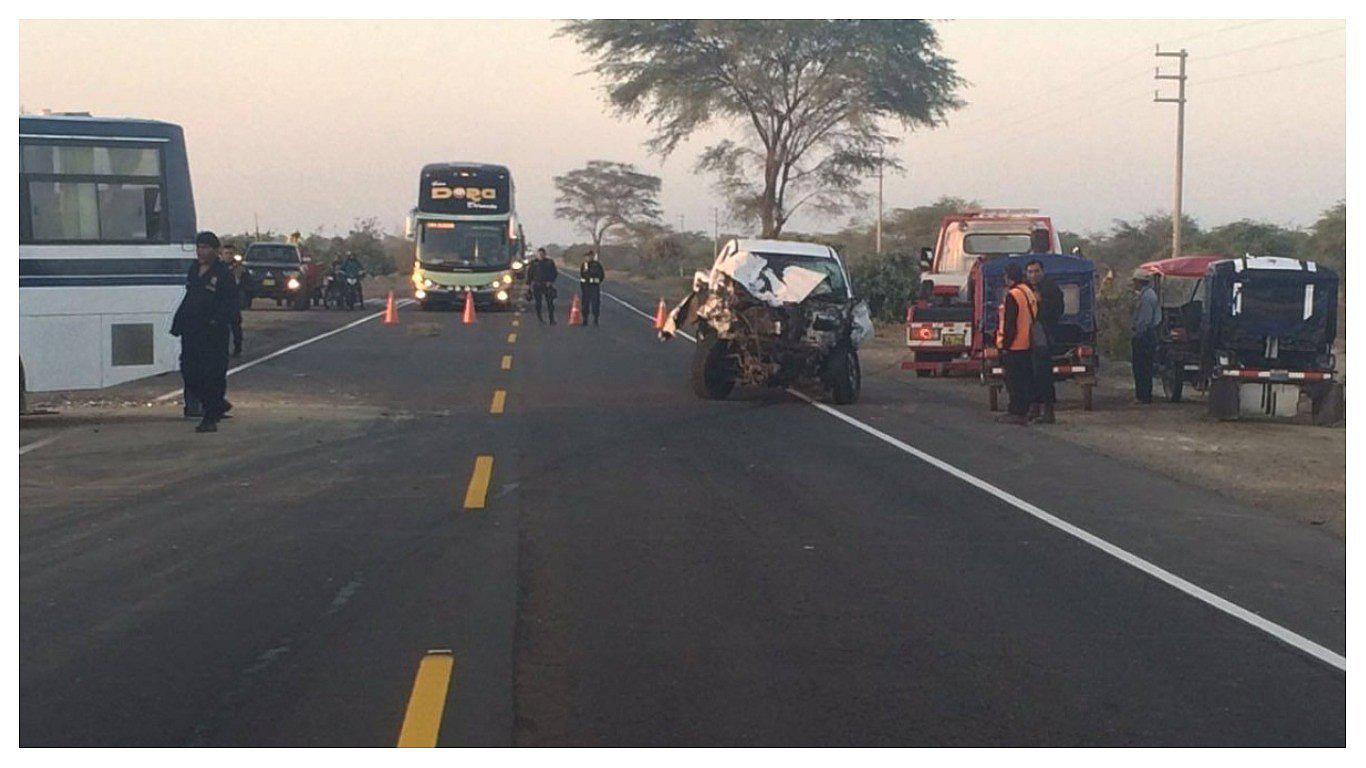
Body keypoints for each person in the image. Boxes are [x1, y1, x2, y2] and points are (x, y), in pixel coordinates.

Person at [172, 231, 238, 433]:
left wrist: (218, 322)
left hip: (213, 333)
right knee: (189, 371)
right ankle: (216, 404)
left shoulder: (223, 274)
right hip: (192, 330)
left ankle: (210, 416)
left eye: (206, 247)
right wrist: (178, 322)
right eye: (199, 247)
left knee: (212, 375)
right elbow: (190, 297)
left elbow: (231, 305)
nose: (201, 251)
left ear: (216, 250)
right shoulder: (194, 270)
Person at [995, 262, 1037, 425]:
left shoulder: (1013, 294)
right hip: (1027, 344)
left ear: (1009, 277)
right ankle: (1025, 411)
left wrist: (1005, 345)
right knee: (1025, 380)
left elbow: (1010, 323)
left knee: (1014, 382)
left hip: (1015, 346)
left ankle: (1017, 412)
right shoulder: (1027, 291)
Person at [1025, 258, 1063, 423]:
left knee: (1044, 375)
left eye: (1036, 271)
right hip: (1028, 338)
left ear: (1043, 272)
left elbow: (1058, 310)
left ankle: (1048, 411)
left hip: (1044, 337)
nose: (1033, 275)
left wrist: (1042, 303)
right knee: (1030, 374)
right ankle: (1033, 408)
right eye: (1030, 272)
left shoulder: (1051, 288)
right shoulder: (1025, 289)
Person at [1130, 271, 1160, 404]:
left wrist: (1138, 333)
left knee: (1142, 367)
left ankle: (1143, 396)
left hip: (1145, 336)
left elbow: (1145, 320)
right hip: (1147, 334)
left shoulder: (1147, 297)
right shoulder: (1147, 295)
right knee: (1144, 366)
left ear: (1139, 281)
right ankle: (1143, 395)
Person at [222, 246, 246, 356]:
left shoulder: (239, 268)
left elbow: (246, 283)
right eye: (226, 253)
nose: (228, 255)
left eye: (231, 253)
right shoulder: (218, 267)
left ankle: (238, 347)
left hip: (233, 301)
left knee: (235, 325)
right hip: (221, 301)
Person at [529, 247, 558, 324]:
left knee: (550, 303)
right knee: (538, 303)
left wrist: (551, 281)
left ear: (545, 254)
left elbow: (554, 273)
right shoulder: (533, 263)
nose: (541, 256)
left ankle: (551, 319)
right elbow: (529, 274)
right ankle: (540, 319)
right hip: (537, 285)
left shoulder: (549, 262)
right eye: (539, 254)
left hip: (547, 285)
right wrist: (529, 285)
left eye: (542, 254)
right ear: (537, 255)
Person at [579, 250, 605, 326]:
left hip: (594, 287)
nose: (587, 258)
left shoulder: (597, 265)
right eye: (586, 256)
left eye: (589, 256)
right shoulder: (584, 265)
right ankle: (585, 319)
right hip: (585, 287)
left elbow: (601, 275)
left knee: (595, 303)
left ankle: (595, 319)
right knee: (585, 303)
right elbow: (582, 275)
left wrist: (596, 281)